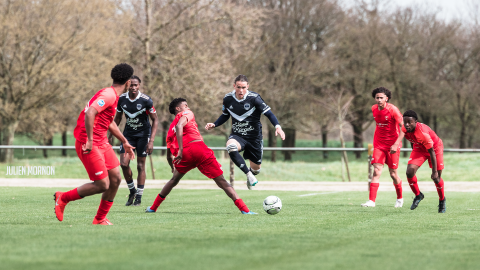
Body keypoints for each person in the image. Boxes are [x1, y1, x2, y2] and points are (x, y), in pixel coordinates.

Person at [54, 63, 136, 225]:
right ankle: (63, 197)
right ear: (128, 82)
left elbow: (109, 122)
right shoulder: (109, 95)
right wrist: (90, 140)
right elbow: (91, 112)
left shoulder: (112, 95)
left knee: (115, 179)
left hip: (101, 142)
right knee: (102, 184)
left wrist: (124, 142)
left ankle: (99, 219)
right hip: (88, 142)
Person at [145, 98, 256, 214]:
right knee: (221, 181)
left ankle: (153, 207)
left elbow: (169, 155)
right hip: (197, 148)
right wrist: (181, 149)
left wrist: (172, 166)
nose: (188, 107)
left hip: (184, 156)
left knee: (173, 180)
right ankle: (245, 210)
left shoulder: (169, 131)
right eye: (186, 105)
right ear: (178, 109)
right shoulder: (187, 113)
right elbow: (179, 126)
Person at [205, 75, 285, 190]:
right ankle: (248, 174)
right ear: (234, 86)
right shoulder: (228, 99)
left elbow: (269, 114)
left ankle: (252, 174)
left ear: (247, 86)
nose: (241, 90)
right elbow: (225, 115)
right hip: (238, 135)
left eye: (243, 87)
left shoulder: (255, 98)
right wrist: (215, 124)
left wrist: (277, 126)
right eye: (238, 87)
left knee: (256, 169)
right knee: (231, 146)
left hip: (254, 138)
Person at [109, 75, 158, 206]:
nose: (134, 87)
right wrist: (111, 134)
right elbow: (118, 118)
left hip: (143, 135)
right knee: (124, 164)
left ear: (139, 86)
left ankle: (139, 197)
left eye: (136, 85)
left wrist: (151, 140)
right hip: (128, 136)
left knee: (140, 166)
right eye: (131, 85)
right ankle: (132, 191)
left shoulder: (146, 100)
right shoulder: (121, 99)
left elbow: (155, 120)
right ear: (127, 85)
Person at [361, 87, 404, 208]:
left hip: (392, 146)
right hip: (379, 145)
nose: (379, 100)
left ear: (387, 98)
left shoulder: (393, 110)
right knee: (376, 171)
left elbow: (404, 128)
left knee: (393, 174)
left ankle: (400, 198)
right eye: (377, 97)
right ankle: (371, 201)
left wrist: (396, 144)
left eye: (381, 98)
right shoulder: (373, 109)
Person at [402, 110, 446, 213]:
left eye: (410, 122)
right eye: (405, 122)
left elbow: (432, 152)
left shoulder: (423, 133)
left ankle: (442, 200)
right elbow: (412, 140)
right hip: (419, 148)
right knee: (409, 172)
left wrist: (434, 172)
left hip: (435, 149)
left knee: (437, 178)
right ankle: (418, 195)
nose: (407, 124)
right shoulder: (404, 129)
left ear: (416, 121)